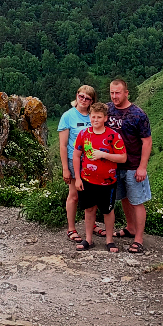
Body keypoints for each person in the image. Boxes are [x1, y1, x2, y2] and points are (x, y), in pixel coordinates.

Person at [106, 78, 153, 254]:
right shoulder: (107, 109)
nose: (114, 96)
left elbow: (147, 142)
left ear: (126, 93)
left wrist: (143, 167)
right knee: (124, 198)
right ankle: (130, 227)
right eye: (111, 92)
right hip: (114, 165)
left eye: (118, 93)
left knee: (137, 201)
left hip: (133, 165)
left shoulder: (138, 114)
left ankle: (139, 239)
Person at [71, 102, 126, 251]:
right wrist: (77, 177)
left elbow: (123, 157)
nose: (95, 120)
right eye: (93, 116)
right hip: (87, 180)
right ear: (90, 117)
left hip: (107, 182)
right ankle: (88, 239)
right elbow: (76, 156)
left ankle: (109, 240)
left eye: (99, 117)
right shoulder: (83, 134)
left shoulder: (113, 135)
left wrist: (103, 155)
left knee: (108, 211)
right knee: (89, 209)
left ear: (105, 118)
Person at [57, 85, 96, 242]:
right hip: (75, 162)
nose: (84, 100)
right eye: (81, 96)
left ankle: (91, 225)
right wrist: (65, 168)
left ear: (92, 101)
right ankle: (71, 228)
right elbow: (63, 145)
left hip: (93, 161)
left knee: (93, 195)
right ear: (77, 96)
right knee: (74, 195)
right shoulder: (68, 116)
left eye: (87, 98)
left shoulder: (94, 115)